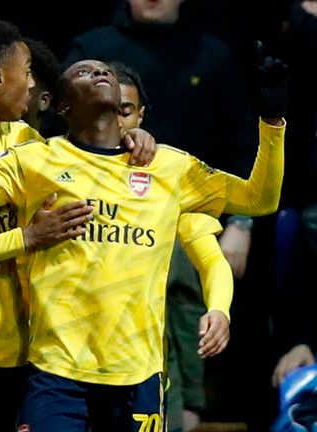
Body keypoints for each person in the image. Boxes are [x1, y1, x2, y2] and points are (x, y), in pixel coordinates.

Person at [0, 58, 286, 431]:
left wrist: (272, 124)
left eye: (105, 72)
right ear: (62, 106)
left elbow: (260, 200)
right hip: (57, 373)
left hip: (138, 375)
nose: (99, 74)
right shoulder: (36, 160)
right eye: (83, 72)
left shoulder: (169, 167)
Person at [112, 62, 233, 431]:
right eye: (103, 108)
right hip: (64, 378)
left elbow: (183, 303)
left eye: (125, 111)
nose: (115, 122)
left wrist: (192, 399)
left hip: (154, 382)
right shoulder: (51, 173)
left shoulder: (164, 188)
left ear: (141, 116)